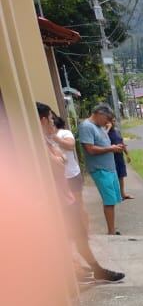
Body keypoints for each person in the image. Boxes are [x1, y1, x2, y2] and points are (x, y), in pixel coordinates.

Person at [35, 103, 123, 282]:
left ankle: (82, 267)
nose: (54, 123)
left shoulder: (48, 140)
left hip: (64, 196)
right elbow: (59, 163)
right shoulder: (41, 143)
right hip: (59, 199)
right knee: (73, 236)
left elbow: (61, 158)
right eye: (51, 120)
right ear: (43, 120)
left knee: (77, 235)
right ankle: (86, 269)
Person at [76, 104, 126, 236]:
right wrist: (111, 149)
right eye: (107, 118)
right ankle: (111, 231)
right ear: (99, 114)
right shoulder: (86, 126)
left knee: (113, 200)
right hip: (100, 169)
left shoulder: (98, 126)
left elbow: (103, 144)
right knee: (109, 201)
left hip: (109, 168)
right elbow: (90, 149)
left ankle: (112, 228)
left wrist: (114, 146)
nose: (107, 122)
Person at [107, 117, 133, 201]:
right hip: (110, 157)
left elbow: (122, 142)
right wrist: (107, 128)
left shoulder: (117, 131)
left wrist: (127, 154)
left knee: (121, 175)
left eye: (114, 121)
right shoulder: (104, 132)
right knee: (112, 176)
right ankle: (114, 195)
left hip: (119, 156)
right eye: (111, 121)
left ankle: (123, 194)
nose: (113, 123)